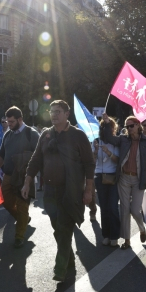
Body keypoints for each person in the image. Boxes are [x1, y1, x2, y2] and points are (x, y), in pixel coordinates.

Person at [22, 100, 95, 282]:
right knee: (57, 229)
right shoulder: (46, 135)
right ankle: (69, 258)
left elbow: (89, 164)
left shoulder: (78, 135)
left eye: (58, 111)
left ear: (67, 114)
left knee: (64, 227)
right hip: (50, 192)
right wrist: (27, 182)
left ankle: (60, 269)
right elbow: (36, 160)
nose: (54, 115)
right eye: (52, 111)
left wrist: (88, 191)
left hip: (70, 191)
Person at [100, 114, 146, 250]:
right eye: (127, 126)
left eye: (131, 126)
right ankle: (127, 240)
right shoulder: (123, 139)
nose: (129, 129)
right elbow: (108, 138)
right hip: (123, 178)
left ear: (138, 125)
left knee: (135, 210)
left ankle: (142, 228)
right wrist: (107, 123)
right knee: (124, 210)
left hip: (138, 179)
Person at [0, 106, 40, 248]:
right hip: (8, 176)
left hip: (24, 177)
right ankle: (23, 219)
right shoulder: (8, 135)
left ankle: (19, 236)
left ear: (20, 119)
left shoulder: (31, 134)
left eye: (12, 122)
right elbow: (1, 155)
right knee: (5, 201)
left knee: (22, 206)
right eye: (7, 122)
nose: (9, 124)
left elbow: (40, 155)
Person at [92, 117, 120, 247]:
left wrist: (108, 152)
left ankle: (114, 235)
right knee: (104, 207)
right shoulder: (96, 141)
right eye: (103, 127)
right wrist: (96, 152)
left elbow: (118, 161)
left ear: (113, 129)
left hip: (113, 176)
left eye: (108, 127)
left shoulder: (116, 142)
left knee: (113, 207)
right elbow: (92, 162)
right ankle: (106, 235)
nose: (106, 130)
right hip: (100, 176)